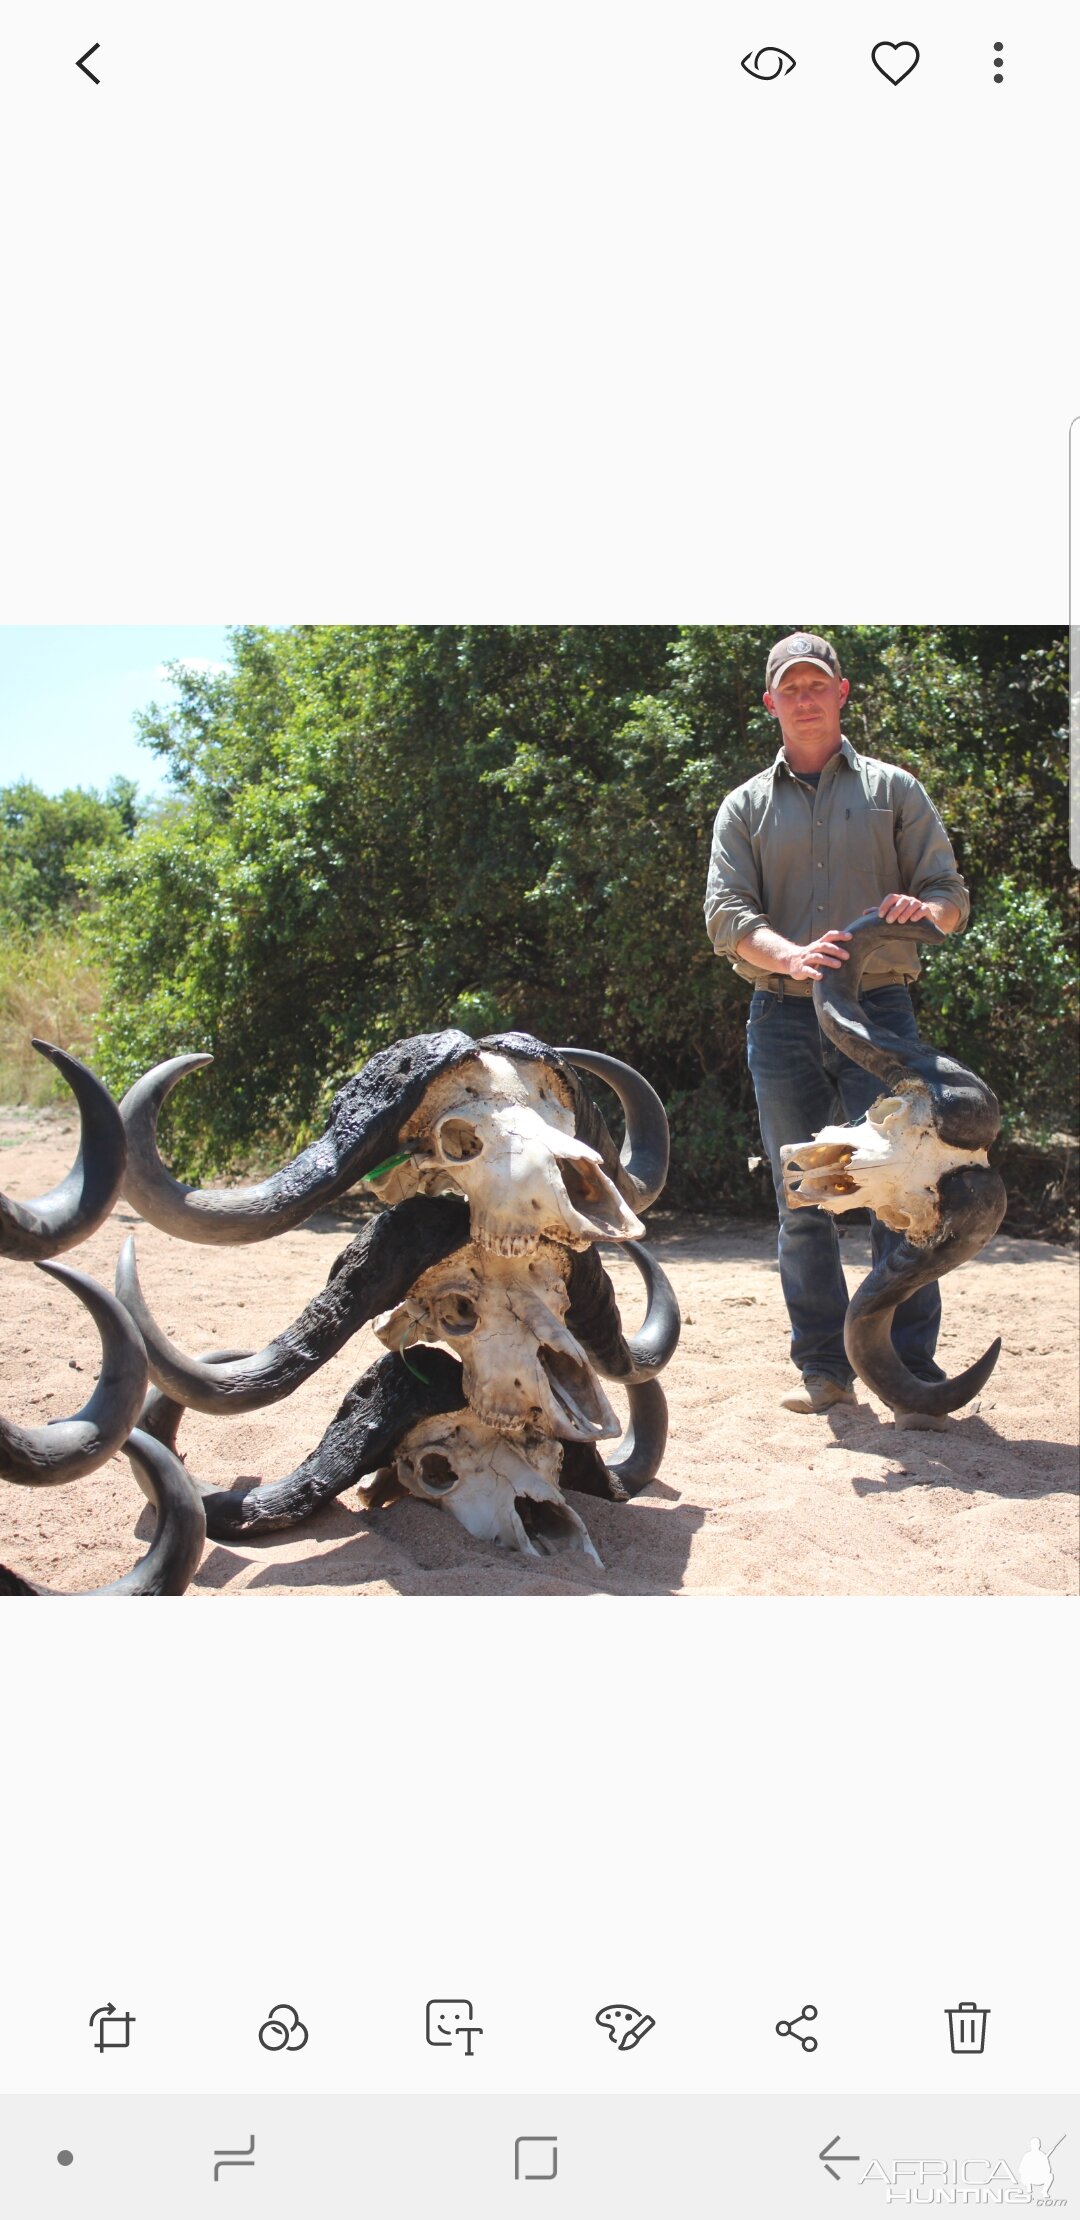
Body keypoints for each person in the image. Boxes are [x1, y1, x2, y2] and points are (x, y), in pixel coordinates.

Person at [703, 632, 970, 1422]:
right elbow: (726, 916)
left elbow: (951, 897)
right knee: (805, 1201)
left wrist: (924, 912)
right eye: (793, 688)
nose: (807, 698)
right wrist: (790, 957)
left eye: (819, 684)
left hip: (879, 1014)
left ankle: (910, 1372)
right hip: (780, 1017)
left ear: (843, 692)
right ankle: (825, 1372)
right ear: (771, 703)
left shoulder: (895, 791)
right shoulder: (744, 806)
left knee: (906, 1196)